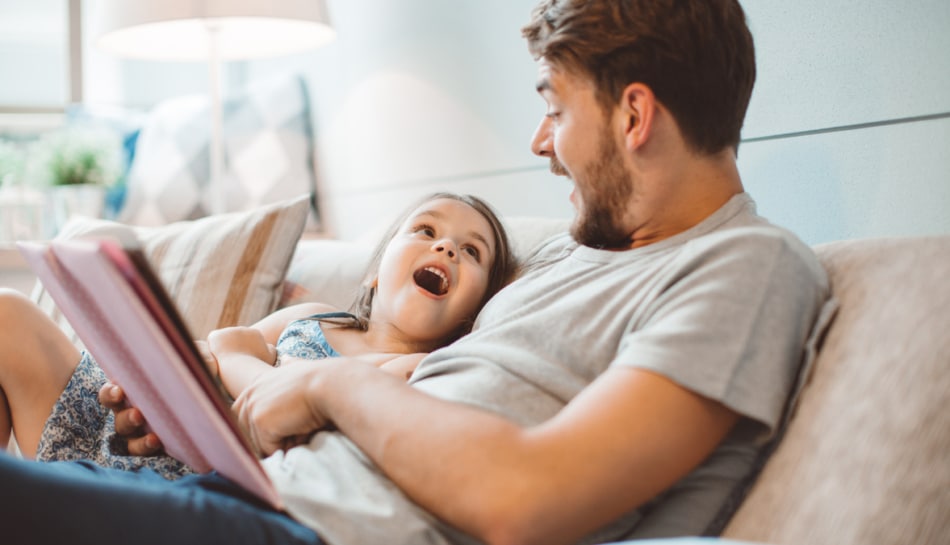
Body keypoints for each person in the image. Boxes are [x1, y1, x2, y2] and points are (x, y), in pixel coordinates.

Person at [0, 1, 832, 544]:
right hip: (257, 489)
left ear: (635, 114)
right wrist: (208, 411)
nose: (542, 144)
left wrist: (323, 389)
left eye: (553, 106)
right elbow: (408, 372)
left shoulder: (749, 267)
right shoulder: (580, 251)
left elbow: (526, 495)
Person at [0, 191, 516, 480]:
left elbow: (247, 366)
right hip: (132, 435)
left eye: (471, 252)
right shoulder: (317, 316)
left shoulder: (416, 372)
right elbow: (212, 350)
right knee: (8, 312)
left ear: (473, 316)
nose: (446, 248)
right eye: (426, 231)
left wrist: (236, 355)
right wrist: (148, 385)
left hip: (188, 483)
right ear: (374, 273)